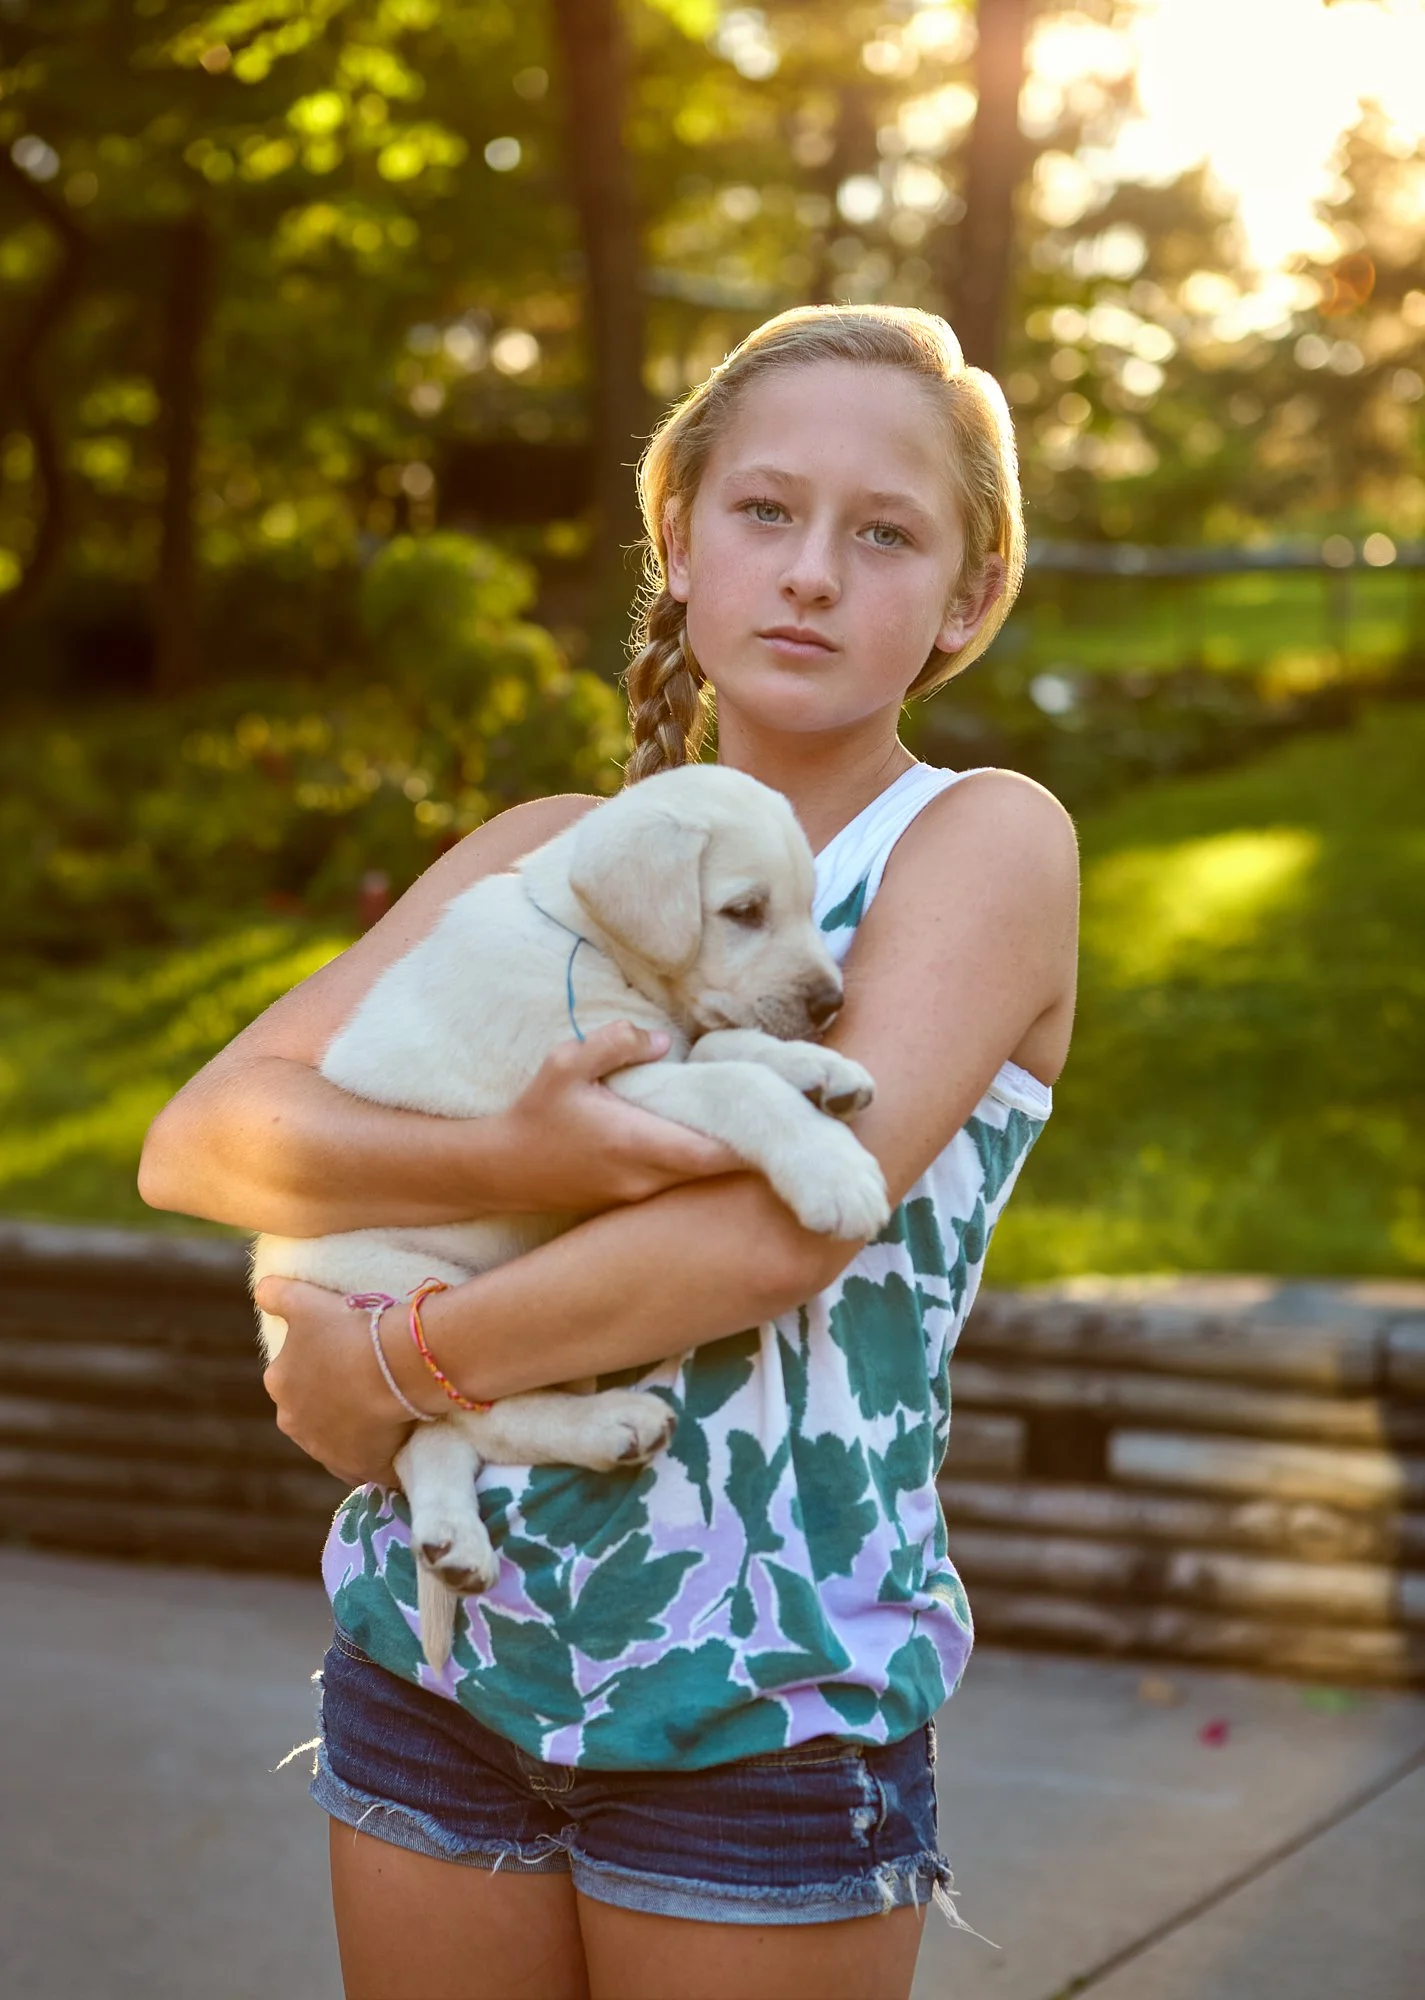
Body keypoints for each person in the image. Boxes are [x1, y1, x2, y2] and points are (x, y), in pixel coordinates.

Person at [140, 304, 1078, 2000]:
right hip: (439, 1681)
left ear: (966, 596)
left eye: (885, 535)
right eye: (765, 512)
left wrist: (400, 1366)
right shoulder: (549, 852)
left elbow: (771, 1238)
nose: (811, 572)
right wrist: (506, 1142)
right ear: (678, 539)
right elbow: (204, 1140)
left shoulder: (978, 844)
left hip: (762, 1713)